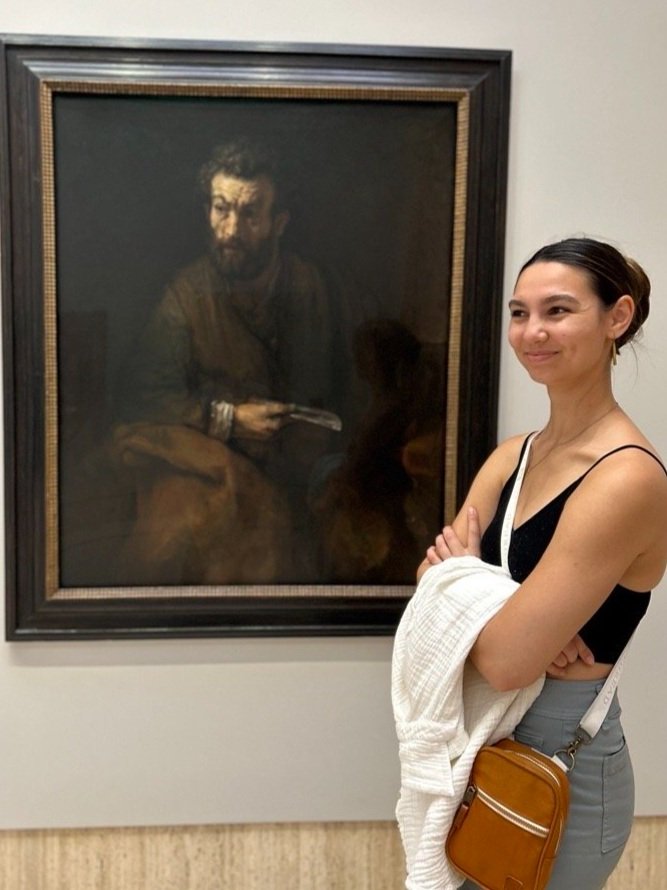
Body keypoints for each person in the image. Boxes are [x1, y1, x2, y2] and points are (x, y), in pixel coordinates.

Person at [417, 237, 667, 888]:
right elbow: (427, 591)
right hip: (482, 749)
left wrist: (471, 594)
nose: (532, 332)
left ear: (616, 317)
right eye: (518, 313)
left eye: (557, 311)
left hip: (558, 768)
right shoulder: (513, 456)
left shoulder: (626, 478)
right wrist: (511, 615)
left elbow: (504, 662)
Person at [114, 137, 344, 584]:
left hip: (305, 467)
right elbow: (143, 394)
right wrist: (230, 420)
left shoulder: (314, 287)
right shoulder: (185, 296)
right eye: (221, 209)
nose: (231, 229)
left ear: (279, 223)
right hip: (217, 467)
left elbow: (343, 389)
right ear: (208, 212)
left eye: (250, 213)